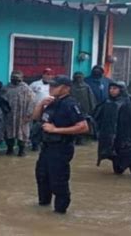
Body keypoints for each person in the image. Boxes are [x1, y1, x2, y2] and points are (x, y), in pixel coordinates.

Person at [32, 75, 89, 214]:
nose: (50, 88)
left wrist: (56, 130)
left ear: (66, 88)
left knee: (58, 180)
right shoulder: (52, 102)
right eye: (50, 85)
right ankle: (43, 205)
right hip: (46, 146)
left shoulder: (70, 104)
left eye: (54, 86)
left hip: (61, 148)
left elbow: (83, 127)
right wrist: (40, 104)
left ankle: (60, 212)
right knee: (42, 176)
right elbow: (35, 118)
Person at [1, 71, 35, 157]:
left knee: (23, 132)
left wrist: (29, 114)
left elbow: (32, 102)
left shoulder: (26, 88)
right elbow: (1, 101)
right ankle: (9, 149)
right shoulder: (5, 88)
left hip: (22, 115)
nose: (15, 79)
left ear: (22, 78)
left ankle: (21, 151)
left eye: (18, 77)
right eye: (13, 77)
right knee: (8, 132)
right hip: (9, 115)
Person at [29, 68, 54, 151]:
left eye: (50, 74)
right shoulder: (35, 84)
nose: (48, 76)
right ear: (43, 75)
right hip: (37, 109)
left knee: (47, 127)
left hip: (50, 111)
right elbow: (29, 95)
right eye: (46, 74)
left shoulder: (54, 85)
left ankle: (45, 144)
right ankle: (35, 144)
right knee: (36, 127)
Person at [70, 72, 97, 145]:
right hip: (72, 108)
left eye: (80, 77)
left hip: (84, 108)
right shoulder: (70, 86)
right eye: (77, 77)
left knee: (83, 123)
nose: (78, 79)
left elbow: (91, 98)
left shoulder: (86, 87)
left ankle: (82, 138)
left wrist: (92, 108)